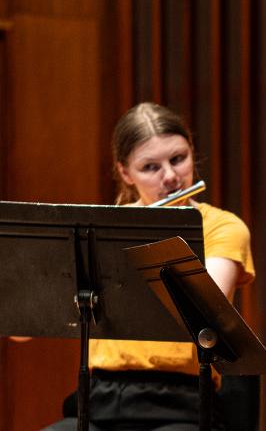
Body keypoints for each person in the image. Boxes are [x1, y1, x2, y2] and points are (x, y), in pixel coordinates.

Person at [45, 102, 255, 430]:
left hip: (185, 400)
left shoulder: (222, 227)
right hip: (101, 396)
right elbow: (25, 329)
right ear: (126, 172)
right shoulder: (104, 228)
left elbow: (205, 310)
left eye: (178, 159)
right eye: (150, 167)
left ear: (191, 152)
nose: (171, 176)